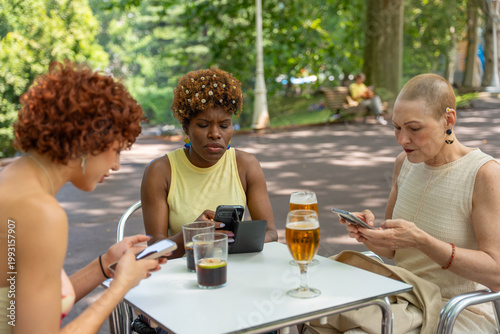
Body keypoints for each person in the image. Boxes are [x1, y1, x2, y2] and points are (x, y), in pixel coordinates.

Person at [306, 73, 500, 333]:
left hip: (458, 312)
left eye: (414, 129)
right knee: (316, 322)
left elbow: (496, 273)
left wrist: (423, 241)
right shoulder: (405, 164)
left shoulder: (484, 173)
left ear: (448, 120)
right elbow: (394, 250)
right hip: (404, 299)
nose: (402, 139)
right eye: (397, 127)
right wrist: (370, 234)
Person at [0, 61, 166, 333]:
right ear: (88, 141)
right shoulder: (41, 213)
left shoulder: (12, 179)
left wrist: (104, 265)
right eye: (116, 150)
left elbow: (24, 307)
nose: (116, 166)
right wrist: (121, 286)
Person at [135, 67, 278, 333]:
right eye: (203, 125)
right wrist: (193, 235)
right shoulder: (160, 171)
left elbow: (270, 233)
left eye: (224, 125)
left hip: (239, 283)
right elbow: (153, 250)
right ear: (185, 127)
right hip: (183, 287)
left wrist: (230, 239)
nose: (216, 134)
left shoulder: (246, 165)